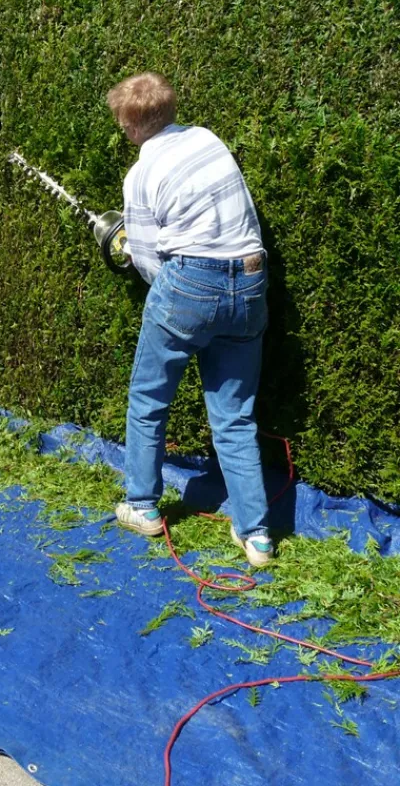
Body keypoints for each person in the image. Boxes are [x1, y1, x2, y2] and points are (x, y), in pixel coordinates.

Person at [106, 72, 273, 566]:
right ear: (170, 109)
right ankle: (257, 535)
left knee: (149, 398)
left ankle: (141, 506)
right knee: (236, 416)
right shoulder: (207, 139)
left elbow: (144, 259)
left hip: (191, 282)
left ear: (131, 127)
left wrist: (173, 294)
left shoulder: (139, 175)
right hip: (251, 278)